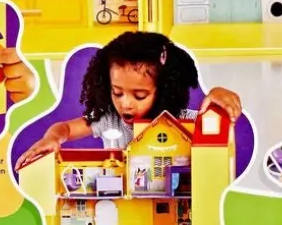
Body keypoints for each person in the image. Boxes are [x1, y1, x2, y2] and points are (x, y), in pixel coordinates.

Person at [15, 31, 241, 168]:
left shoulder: (179, 119)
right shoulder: (109, 119)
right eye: (117, 92)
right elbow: (64, 127)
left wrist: (218, 95)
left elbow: (214, 125)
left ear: (163, 91)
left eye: (140, 95)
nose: (125, 103)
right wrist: (53, 138)